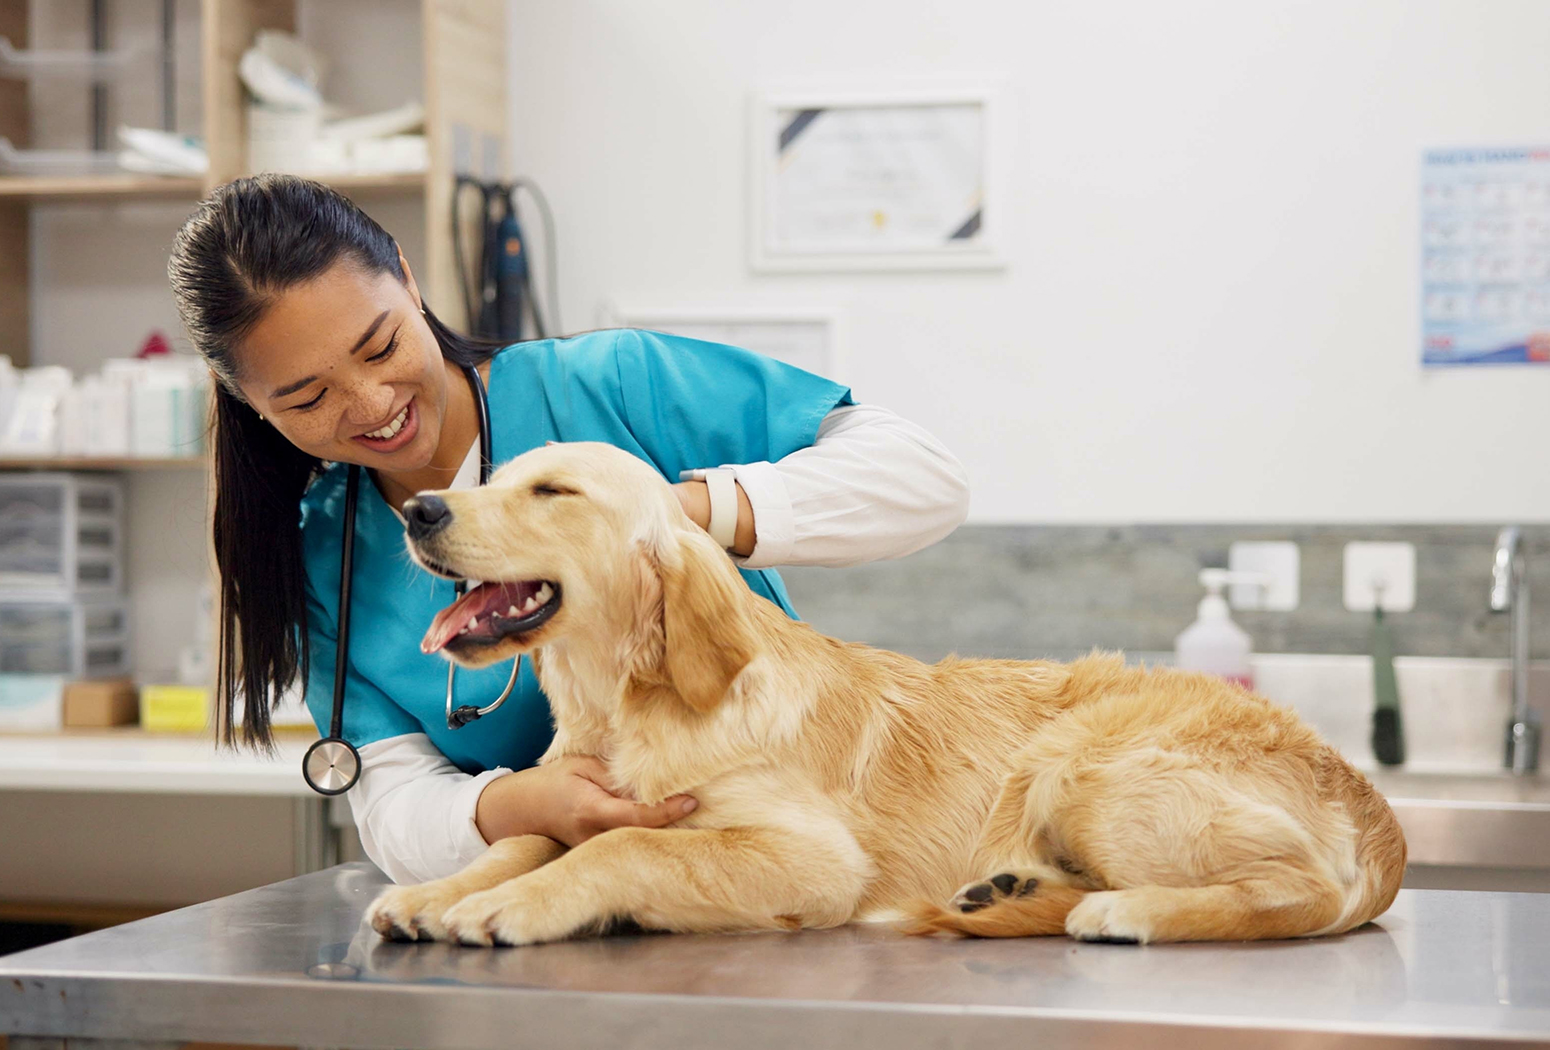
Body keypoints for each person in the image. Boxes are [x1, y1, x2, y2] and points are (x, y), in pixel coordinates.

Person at [168, 173, 969, 885]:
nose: (372, 404)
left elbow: (923, 479)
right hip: (552, 941)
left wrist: (667, 518)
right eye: (308, 399)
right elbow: (390, 806)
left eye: (381, 346)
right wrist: (520, 805)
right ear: (249, 402)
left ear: (409, 282)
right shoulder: (322, 556)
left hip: (771, 887)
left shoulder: (608, 387)